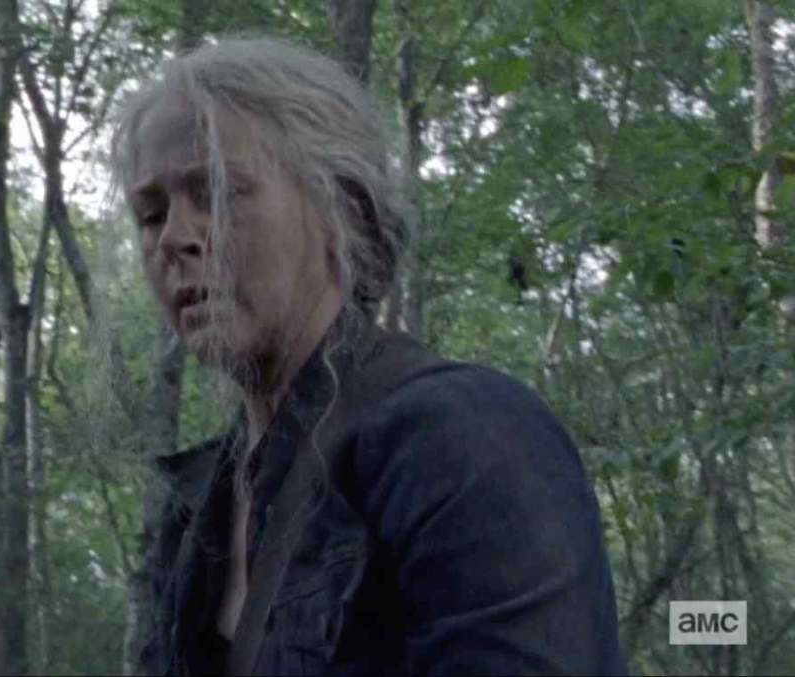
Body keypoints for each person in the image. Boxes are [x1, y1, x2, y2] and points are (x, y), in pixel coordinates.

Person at [111, 36, 627, 676]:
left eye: (216, 192)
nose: (175, 238)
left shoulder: (462, 437)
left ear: (345, 210)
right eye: (150, 214)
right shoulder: (196, 509)